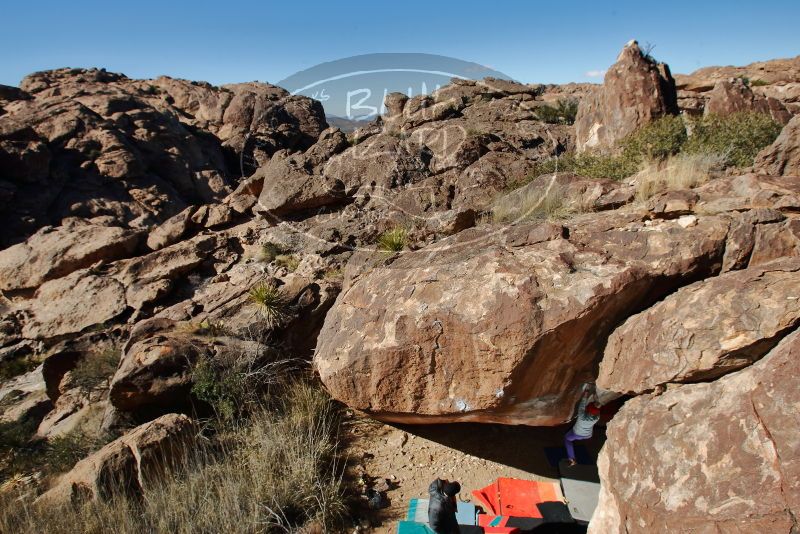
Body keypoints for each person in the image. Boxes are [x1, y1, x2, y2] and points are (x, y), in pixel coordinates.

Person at [564, 388, 601, 466]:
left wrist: (586, 393)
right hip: (587, 435)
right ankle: (571, 458)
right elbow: (596, 409)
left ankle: (572, 458)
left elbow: (582, 404)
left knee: (567, 439)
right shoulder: (596, 418)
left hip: (578, 434)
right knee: (569, 438)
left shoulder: (583, 416)